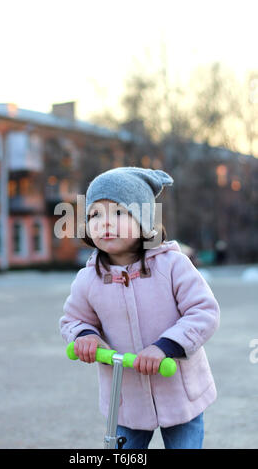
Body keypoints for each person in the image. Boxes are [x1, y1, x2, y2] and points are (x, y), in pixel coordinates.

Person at [59, 166, 220, 449]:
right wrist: (85, 336)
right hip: (127, 400)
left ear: (146, 220)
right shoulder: (89, 279)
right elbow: (73, 319)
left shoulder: (173, 265)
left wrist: (165, 347)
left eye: (118, 213)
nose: (105, 223)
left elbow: (204, 312)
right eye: (95, 214)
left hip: (179, 392)